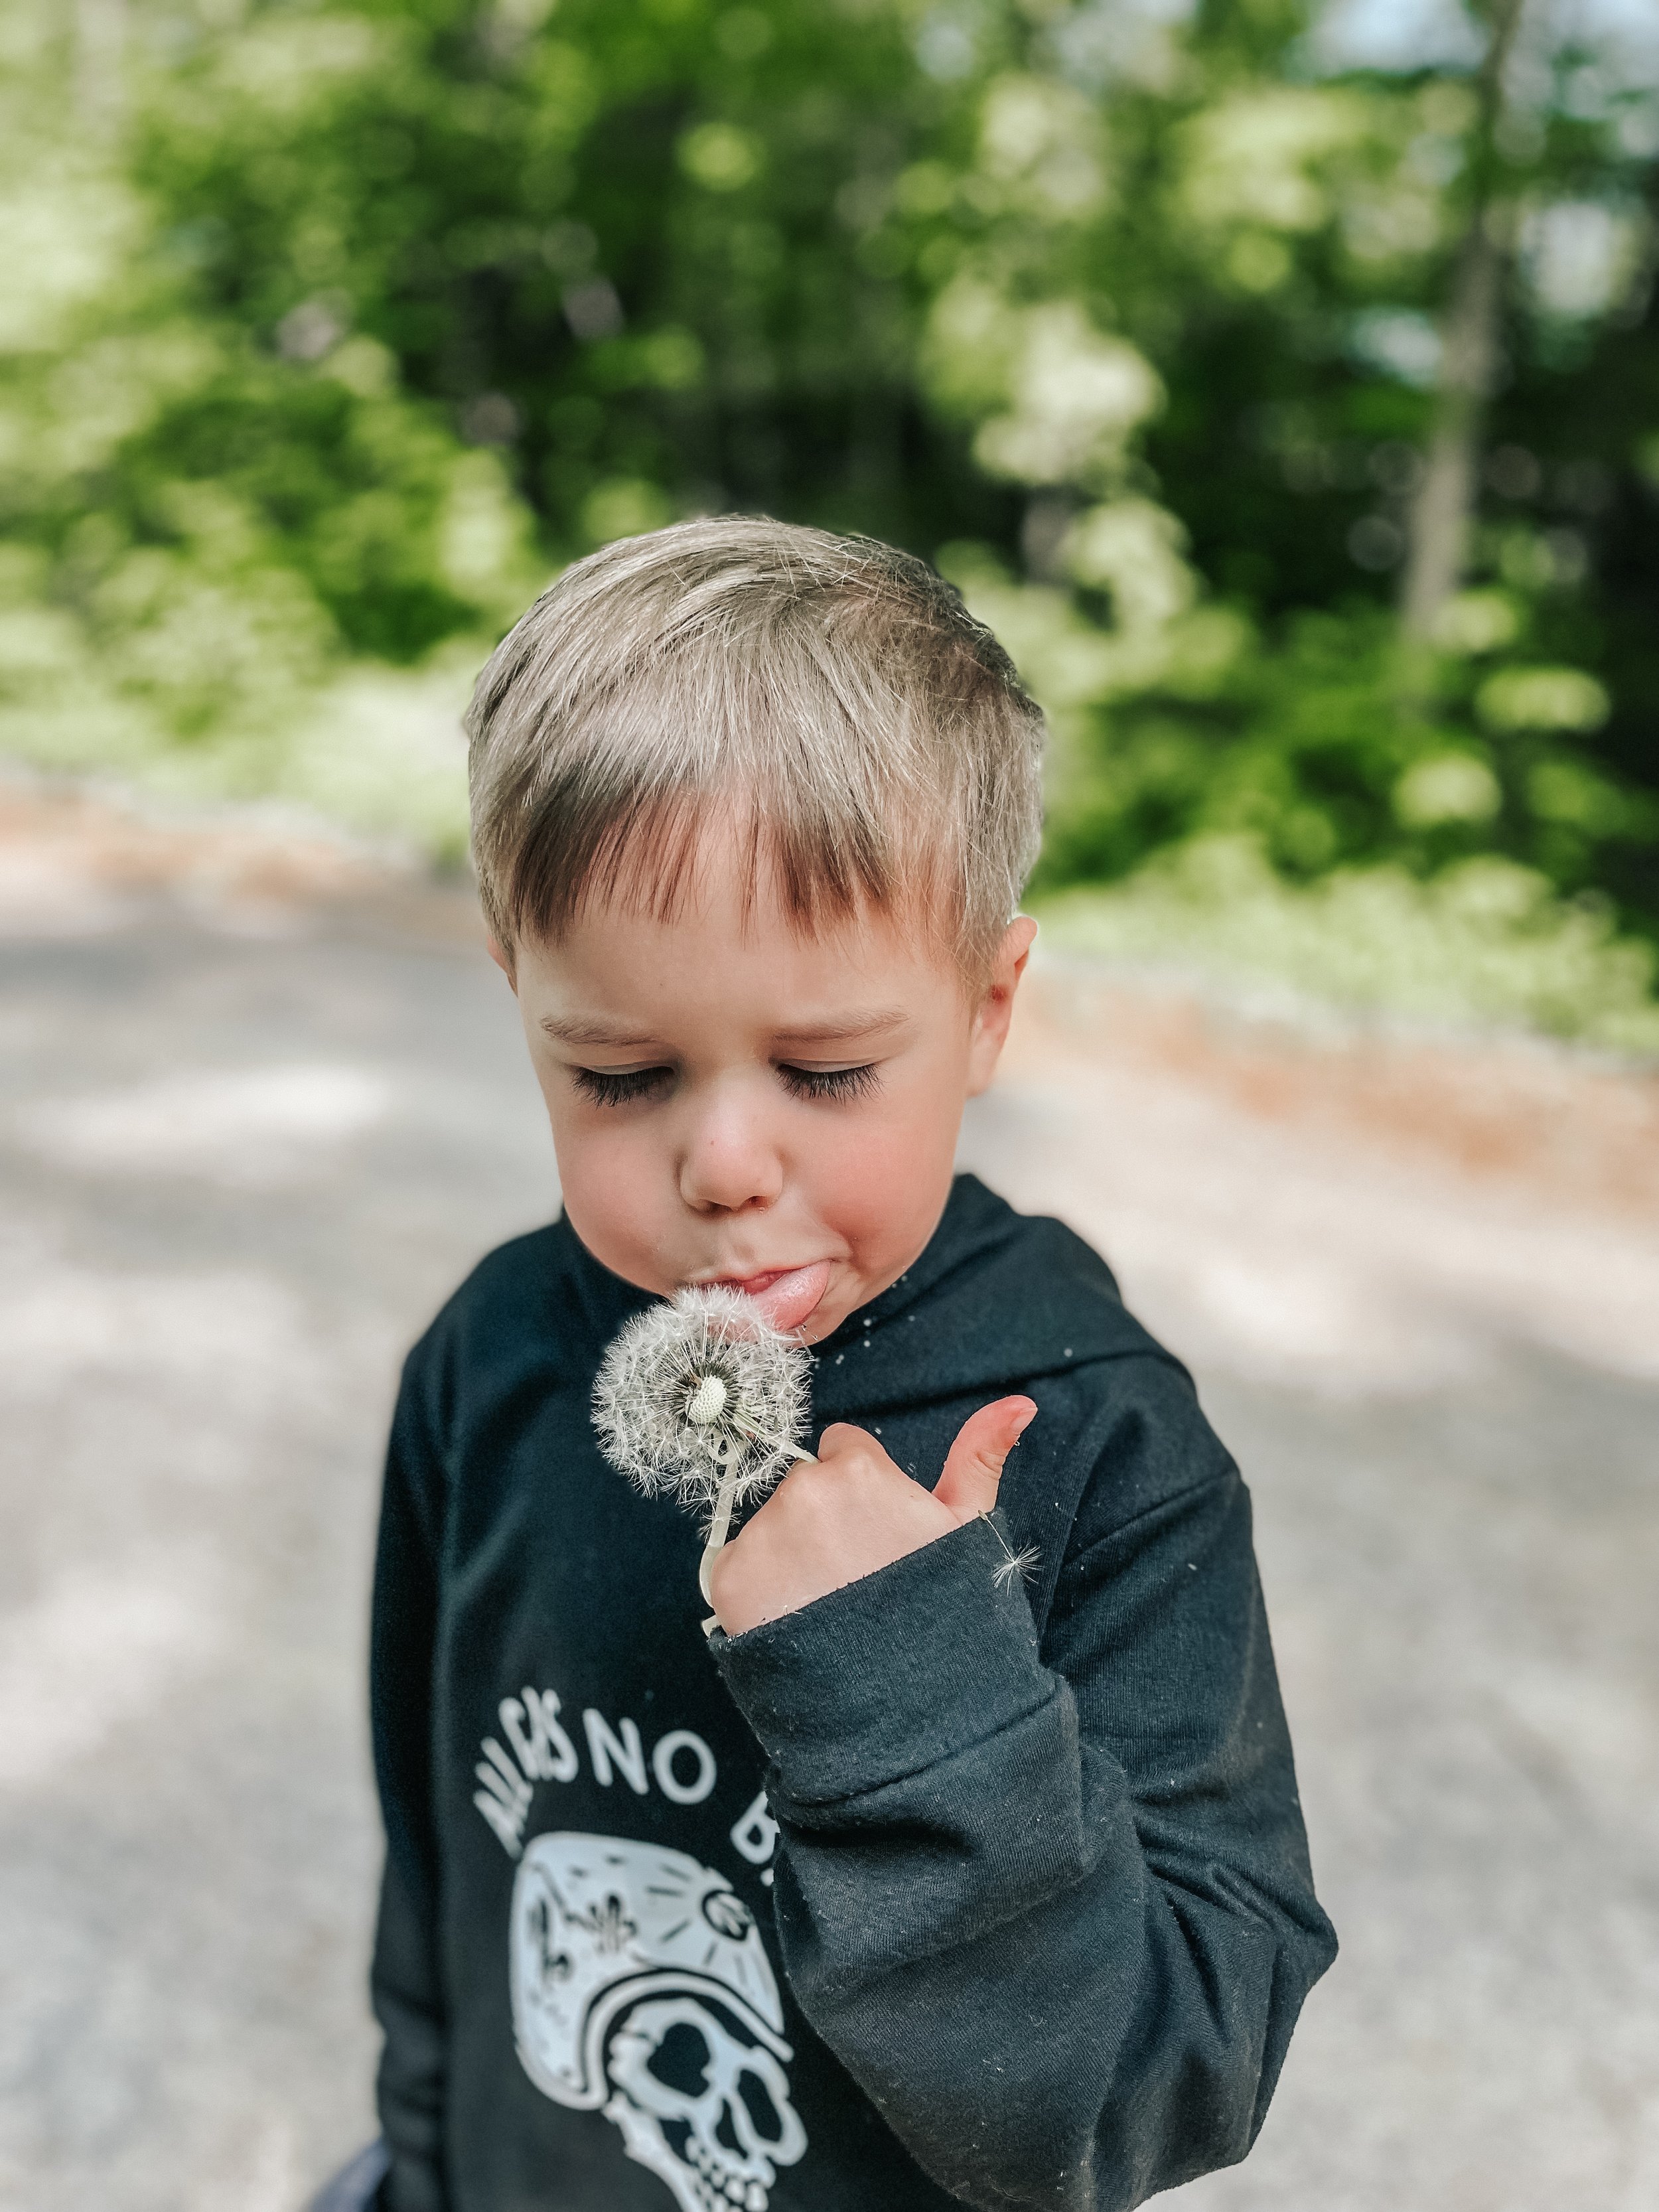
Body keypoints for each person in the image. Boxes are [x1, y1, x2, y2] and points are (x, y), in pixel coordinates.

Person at [357, 518, 1336, 2212]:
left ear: (986, 1004)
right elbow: (440, 1857)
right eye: (617, 1072)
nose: (723, 1161)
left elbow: (1164, 2079)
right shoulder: (492, 1358)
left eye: (820, 1070)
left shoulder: (1101, 1436)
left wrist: (909, 1682)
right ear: (520, 992)